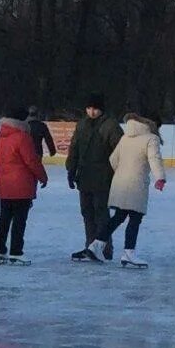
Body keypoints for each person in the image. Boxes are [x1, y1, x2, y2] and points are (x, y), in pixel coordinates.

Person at [95, 112, 167, 268]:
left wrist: (122, 172)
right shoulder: (151, 139)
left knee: (119, 216)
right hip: (136, 183)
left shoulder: (126, 136)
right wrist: (160, 177)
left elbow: (113, 160)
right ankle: (129, 253)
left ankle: (97, 245)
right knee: (135, 217)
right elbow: (154, 158)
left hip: (120, 182)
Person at [67, 94, 121, 262]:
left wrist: (116, 173)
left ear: (101, 109)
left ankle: (105, 248)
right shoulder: (82, 124)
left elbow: (120, 151)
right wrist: (71, 169)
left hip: (103, 178)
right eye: (89, 108)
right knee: (87, 213)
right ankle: (90, 246)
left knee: (101, 213)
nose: (91, 111)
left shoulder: (111, 126)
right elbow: (74, 148)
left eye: (95, 108)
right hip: (84, 177)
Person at [0, 106, 48, 265]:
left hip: (4, 183)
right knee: (19, 219)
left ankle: (0, 250)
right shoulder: (22, 137)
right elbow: (31, 161)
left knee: (4, 217)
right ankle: (16, 251)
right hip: (21, 185)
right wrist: (42, 177)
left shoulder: (0, 138)